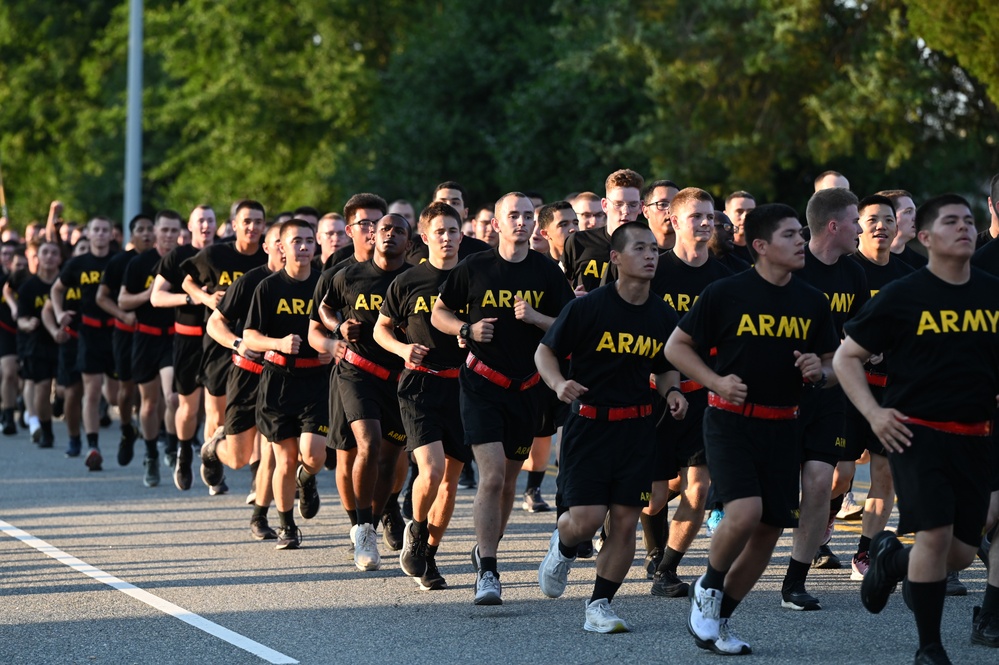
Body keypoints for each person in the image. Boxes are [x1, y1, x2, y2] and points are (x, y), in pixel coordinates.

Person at [666, 203, 838, 655]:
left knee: (768, 530)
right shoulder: (726, 293)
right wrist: (715, 380)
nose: (801, 241)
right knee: (743, 512)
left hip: (785, 426)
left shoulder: (811, 300)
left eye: (801, 234)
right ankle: (709, 583)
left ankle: (720, 619)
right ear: (760, 246)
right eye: (789, 235)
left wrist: (816, 370)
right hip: (729, 421)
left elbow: (833, 363)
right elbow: (676, 347)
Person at [834, 194, 999, 665]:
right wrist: (874, 413)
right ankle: (930, 648)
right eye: (951, 222)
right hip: (916, 433)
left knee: (961, 554)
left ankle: (891, 562)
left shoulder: (992, 292)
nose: (965, 228)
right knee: (933, 534)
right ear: (925, 238)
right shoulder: (904, 294)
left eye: (969, 220)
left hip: (977, 436)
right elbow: (847, 357)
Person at [536, 221, 687, 633]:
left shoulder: (661, 314)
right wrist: (558, 382)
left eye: (654, 248)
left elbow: (666, 367)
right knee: (584, 519)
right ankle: (564, 546)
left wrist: (673, 393)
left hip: (638, 430)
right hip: (589, 425)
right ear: (615, 258)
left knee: (624, 519)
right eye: (640, 248)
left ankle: (599, 604)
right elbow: (545, 352)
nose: (651, 255)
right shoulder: (587, 308)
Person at [432, 192, 574, 605]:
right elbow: (439, 313)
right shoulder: (474, 267)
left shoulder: (547, 272)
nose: (521, 221)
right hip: (481, 385)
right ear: (496, 224)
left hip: (528, 390)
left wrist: (535, 319)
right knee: (491, 476)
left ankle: (483, 547)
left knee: (509, 482)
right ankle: (489, 570)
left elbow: (568, 327)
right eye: (513, 215)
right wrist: (466, 330)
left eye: (528, 216)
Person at [373, 201, 472, 590]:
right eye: (439, 231)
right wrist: (401, 350)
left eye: (453, 231)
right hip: (420, 384)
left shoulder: (474, 278)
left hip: (464, 387)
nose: (446, 238)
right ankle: (415, 529)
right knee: (429, 470)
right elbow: (382, 329)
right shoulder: (408, 281)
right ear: (425, 237)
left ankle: (428, 554)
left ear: (461, 235)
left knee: (450, 480)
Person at [779, 187, 867, 609]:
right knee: (768, 498)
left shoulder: (854, 274)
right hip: (781, 396)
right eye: (856, 221)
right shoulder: (794, 267)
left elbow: (863, 328)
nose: (862, 230)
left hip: (831, 393)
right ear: (834, 225)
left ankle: (794, 582)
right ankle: (722, 570)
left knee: (819, 484)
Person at [645, 188, 733, 598]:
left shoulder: (724, 279)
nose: (705, 222)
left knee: (697, 488)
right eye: (696, 215)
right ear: (674, 221)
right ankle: (640, 534)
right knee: (654, 497)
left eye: (710, 216)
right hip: (654, 393)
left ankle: (666, 569)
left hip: (704, 396)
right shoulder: (652, 271)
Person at [318, 213, 414, 571]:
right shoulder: (349, 274)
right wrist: (339, 326)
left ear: (410, 241)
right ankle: (362, 529)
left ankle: (377, 516)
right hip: (357, 371)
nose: (390, 235)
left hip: (399, 377)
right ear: (373, 235)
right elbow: (325, 308)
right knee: (368, 443)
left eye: (398, 231)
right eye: (384, 229)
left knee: (390, 458)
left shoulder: (414, 279)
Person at [242, 219, 331, 549]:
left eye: (310, 240)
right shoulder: (268, 287)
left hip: (315, 380)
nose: (305, 247)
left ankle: (307, 481)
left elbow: (333, 323)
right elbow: (250, 335)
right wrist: (278, 343)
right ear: (282, 246)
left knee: (314, 455)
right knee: (285, 456)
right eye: (297, 241)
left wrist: (330, 346)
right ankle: (287, 526)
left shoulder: (324, 284)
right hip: (278, 380)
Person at [842, 195, 913, 583]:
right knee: (839, 475)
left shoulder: (906, 276)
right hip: (849, 386)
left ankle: (864, 553)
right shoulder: (847, 271)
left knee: (884, 473)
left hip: (891, 390)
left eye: (889, 219)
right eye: (872, 219)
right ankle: (824, 523)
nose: (881, 226)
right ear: (858, 225)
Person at [184, 200, 266, 495]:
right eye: (247, 221)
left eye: (258, 222)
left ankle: (258, 479)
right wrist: (206, 299)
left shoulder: (268, 261)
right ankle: (211, 456)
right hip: (220, 341)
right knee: (217, 414)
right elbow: (187, 282)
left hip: (255, 344)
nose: (252, 227)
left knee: (257, 413)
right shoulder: (215, 254)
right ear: (235, 225)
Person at [206, 224, 283, 539]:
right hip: (247, 372)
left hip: (283, 376)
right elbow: (215, 323)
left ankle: (260, 516)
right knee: (237, 457)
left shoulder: (311, 281)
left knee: (272, 449)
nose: (287, 248)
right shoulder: (250, 282)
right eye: (279, 242)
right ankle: (212, 450)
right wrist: (238, 344)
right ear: (267, 247)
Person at [149, 205, 216, 490]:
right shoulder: (178, 256)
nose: (205, 226)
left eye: (210, 221)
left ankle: (211, 463)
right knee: (188, 408)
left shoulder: (224, 253)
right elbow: (156, 297)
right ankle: (184, 451)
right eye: (200, 220)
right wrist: (192, 300)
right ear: (189, 226)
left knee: (216, 409)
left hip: (219, 340)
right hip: (187, 339)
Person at [119, 210, 182, 488]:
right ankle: (150, 454)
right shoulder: (138, 263)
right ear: (155, 231)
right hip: (144, 338)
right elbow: (122, 302)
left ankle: (170, 445)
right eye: (164, 230)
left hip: (172, 338)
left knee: (172, 397)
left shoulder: (184, 261)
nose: (168, 235)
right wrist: (151, 295)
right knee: (148, 402)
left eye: (173, 230)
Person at [50, 216, 118, 469]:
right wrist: (59, 314)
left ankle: (126, 430)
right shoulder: (77, 263)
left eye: (104, 230)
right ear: (88, 234)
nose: (100, 234)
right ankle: (92, 445)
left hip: (115, 332)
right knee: (90, 390)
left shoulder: (118, 260)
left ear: (112, 234)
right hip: (88, 332)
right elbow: (56, 289)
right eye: (95, 230)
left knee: (114, 395)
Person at [561, 169, 644, 292]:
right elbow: (556, 290)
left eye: (632, 205)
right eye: (618, 204)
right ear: (604, 205)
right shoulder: (578, 241)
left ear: (641, 207)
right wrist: (570, 298)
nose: (626, 211)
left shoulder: (649, 249)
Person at [16, 241, 63, 449]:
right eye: (45, 252)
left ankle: (61, 404)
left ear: (60, 258)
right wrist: (28, 323)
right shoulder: (29, 287)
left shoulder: (65, 284)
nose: (50, 256)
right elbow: (20, 318)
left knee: (64, 390)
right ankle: (46, 431)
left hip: (64, 342)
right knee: (42, 390)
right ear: (37, 257)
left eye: (54, 253)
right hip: (39, 344)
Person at [879, 189, 927, 269]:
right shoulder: (861, 261)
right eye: (908, 212)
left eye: (915, 212)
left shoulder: (922, 265)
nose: (916, 218)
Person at [641, 179, 680, 252]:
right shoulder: (634, 255)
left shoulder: (695, 254)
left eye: (675, 204)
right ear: (645, 211)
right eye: (662, 204)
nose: (670, 210)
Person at [724, 191, 756, 266]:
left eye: (750, 211)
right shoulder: (719, 252)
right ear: (725, 215)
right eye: (739, 212)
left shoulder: (762, 249)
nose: (745, 217)